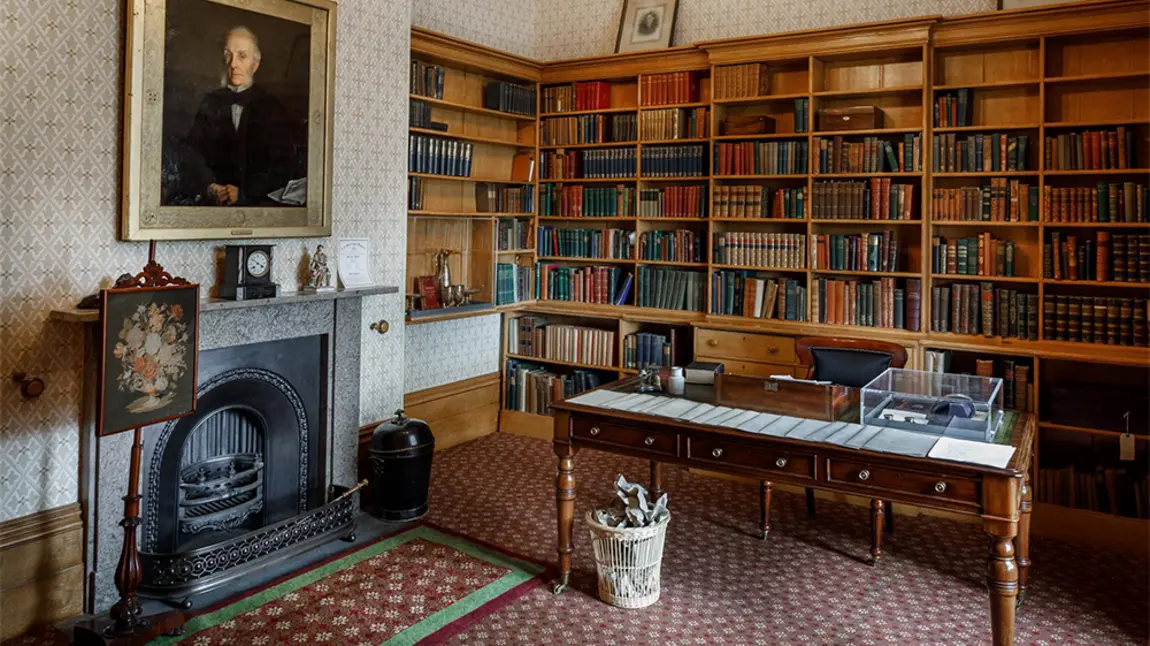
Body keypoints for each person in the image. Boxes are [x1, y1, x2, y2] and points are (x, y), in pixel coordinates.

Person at [180, 26, 304, 206]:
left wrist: (245, 193)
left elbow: (282, 167)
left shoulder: (271, 106)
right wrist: (210, 186)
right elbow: (192, 153)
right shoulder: (211, 102)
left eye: (242, 56)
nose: (232, 64)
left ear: (255, 64)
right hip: (212, 205)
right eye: (228, 54)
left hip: (256, 206)